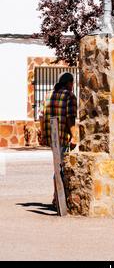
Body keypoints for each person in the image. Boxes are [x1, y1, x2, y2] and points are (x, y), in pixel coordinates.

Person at [39, 72, 77, 206]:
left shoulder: (48, 95)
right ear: (69, 83)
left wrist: (43, 134)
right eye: (72, 83)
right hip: (63, 137)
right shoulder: (70, 96)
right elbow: (70, 118)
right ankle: (59, 199)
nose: (73, 86)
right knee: (60, 168)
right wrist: (74, 136)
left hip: (52, 137)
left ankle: (56, 198)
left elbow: (42, 117)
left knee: (57, 166)